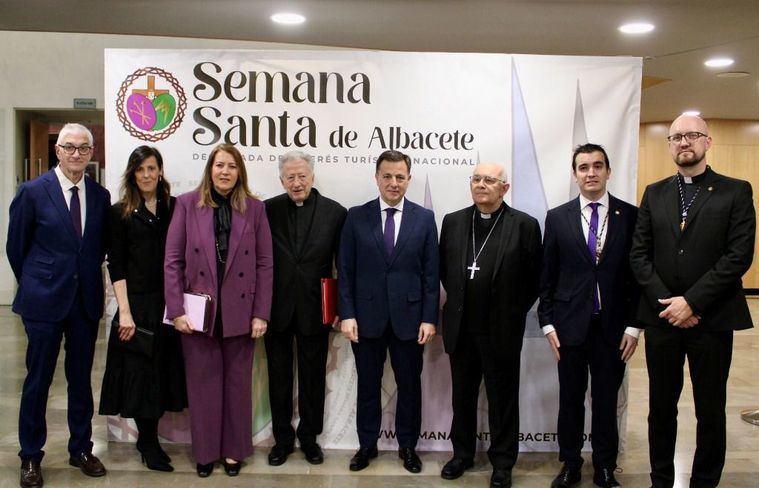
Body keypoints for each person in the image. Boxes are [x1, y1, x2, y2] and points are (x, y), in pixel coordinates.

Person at [630, 115, 755, 488]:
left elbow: (738, 256)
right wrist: (671, 304)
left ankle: (703, 481)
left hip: (712, 320)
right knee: (660, 409)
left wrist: (694, 303)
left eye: (692, 136)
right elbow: (640, 254)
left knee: (710, 409)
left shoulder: (735, 190)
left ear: (708, 142)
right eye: (677, 137)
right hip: (663, 317)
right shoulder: (655, 192)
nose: (684, 142)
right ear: (669, 145)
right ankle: (661, 480)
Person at [7, 123, 111, 487]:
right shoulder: (33, 192)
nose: (77, 154)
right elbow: (16, 248)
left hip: (83, 304)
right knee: (38, 380)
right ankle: (31, 456)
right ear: (58, 150)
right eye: (69, 147)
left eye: (84, 148)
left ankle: (81, 446)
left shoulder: (99, 195)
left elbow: (98, 249)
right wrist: (40, 281)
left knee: (80, 380)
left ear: (92, 152)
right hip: (44, 304)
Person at [164, 143, 273, 478]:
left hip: (241, 312)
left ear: (240, 172)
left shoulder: (254, 209)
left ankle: (234, 451)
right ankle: (206, 452)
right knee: (203, 387)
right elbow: (172, 261)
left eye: (232, 166)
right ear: (209, 169)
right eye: (219, 165)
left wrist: (261, 313)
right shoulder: (185, 204)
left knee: (238, 388)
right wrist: (176, 309)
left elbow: (265, 263)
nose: (225, 172)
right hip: (199, 315)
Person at [538, 144, 640, 488]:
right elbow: (547, 276)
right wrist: (548, 322)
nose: (591, 173)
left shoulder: (631, 215)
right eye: (584, 167)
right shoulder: (558, 217)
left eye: (597, 166)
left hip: (614, 328)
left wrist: (635, 326)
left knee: (606, 400)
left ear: (609, 171)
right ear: (575, 174)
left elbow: (638, 276)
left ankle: (605, 466)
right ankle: (570, 463)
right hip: (568, 328)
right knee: (570, 400)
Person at [438, 163, 541, 488]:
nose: (482, 185)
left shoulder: (524, 225)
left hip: (501, 330)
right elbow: (446, 271)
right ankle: (462, 454)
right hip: (461, 329)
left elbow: (534, 280)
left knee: (503, 400)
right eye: (477, 179)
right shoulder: (453, 222)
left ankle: (502, 462)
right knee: (462, 398)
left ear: (504, 188)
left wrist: (509, 312)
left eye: (490, 180)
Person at [338, 150, 439, 473]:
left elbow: (430, 275)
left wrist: (429, 318)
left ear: (409, 179)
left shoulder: (424, 218)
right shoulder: (356, 216)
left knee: (410, 386)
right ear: (377, 177)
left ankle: (408, 447)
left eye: (400, 176)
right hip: (365, 320)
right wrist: (348, 314)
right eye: (387, 176)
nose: (393, 183)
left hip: (410, 320)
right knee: (368, 385)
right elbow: (346, 270)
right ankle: (366, 445)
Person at [98, 146, 188, 472]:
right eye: (140, 170)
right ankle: (148, 442)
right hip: (136, 305)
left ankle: (150, 439)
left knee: (163, 375)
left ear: (160, 171)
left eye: (151, 168)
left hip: (169, 305)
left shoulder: (176, 208)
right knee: (139, 376)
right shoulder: (120, 212)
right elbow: (116, 265)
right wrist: (124, 311)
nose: (146, 175)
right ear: (132, 174)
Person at [264, 151, 347, 466]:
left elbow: (344, 266)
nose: (296, 183)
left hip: (317, 308)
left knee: (313, 378)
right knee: (279, 378)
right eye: (290, 177)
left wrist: (341, 307)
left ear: (313, 177)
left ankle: (310, 439)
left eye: (302, 176)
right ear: (281, 179)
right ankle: (282, 440)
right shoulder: (266, 210)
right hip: (276, 309)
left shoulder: (335, 213)